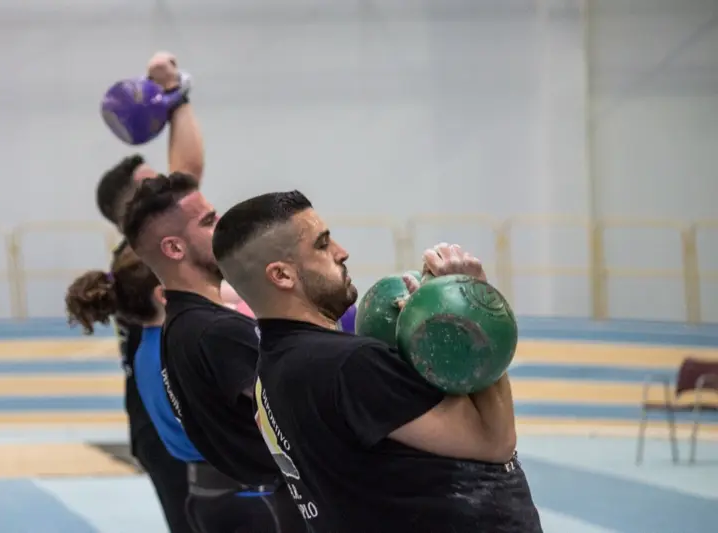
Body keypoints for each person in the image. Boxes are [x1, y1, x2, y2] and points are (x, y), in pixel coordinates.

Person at [211, 190, 544, 533]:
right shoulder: (348, 364)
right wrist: (469, 313)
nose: (341, 252)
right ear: (282, 275)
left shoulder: (270, 372)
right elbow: (495, 441)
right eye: (322, 245)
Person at [121, 173, 306, 533]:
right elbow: (300, 414)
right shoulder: (217, 332)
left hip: (219, 498)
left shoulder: (176, 327)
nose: (222, 227)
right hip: (257, 504)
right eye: (208, 221)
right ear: (174, 248)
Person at [93, 51, 204, 532]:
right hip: (167, 424)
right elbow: (190, 175)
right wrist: (176, 94)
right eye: (154, 184)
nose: (166, 186)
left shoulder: (140, 251)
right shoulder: (145, 254)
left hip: (166, 418)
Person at [65, 246, 205, 532]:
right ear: (161, 293)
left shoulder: (151, 341)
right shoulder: (167, 347)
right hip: (177, 451)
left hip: (164, 442)